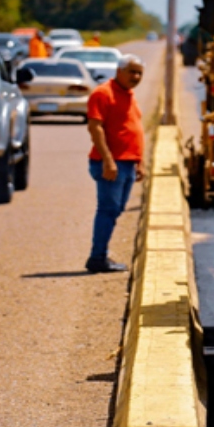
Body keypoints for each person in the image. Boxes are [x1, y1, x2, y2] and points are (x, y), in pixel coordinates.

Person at [84, 54, 146, 273]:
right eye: (132, 72)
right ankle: (97, 258)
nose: (136, 77)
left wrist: (140, 162)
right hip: (111, 163)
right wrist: (108, 161)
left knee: (115, 210)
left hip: (127, 163)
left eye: (139, 73)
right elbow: (95, 127)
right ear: (119, 71)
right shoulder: (103, 93)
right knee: (108, 210)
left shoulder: (129, 94)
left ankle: (101, 253)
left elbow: (132, 128)